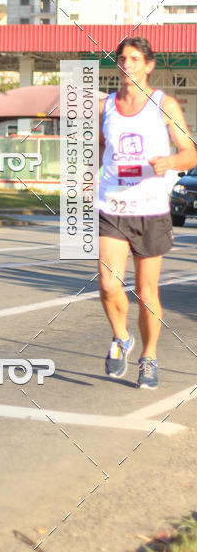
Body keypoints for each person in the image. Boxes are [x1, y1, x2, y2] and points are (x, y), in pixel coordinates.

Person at [98, 37, 197, 390]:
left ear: (149, 65)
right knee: (109, 285)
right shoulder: (105, 105)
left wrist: (172, 161)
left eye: (135, 59)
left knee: (145, 290)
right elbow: (101, 149)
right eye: (122, 59)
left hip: (151, 209)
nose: (127, 64)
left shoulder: (163, 104)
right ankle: (122, 338)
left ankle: (149, 356)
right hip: (112, 206)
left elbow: (191, 152)